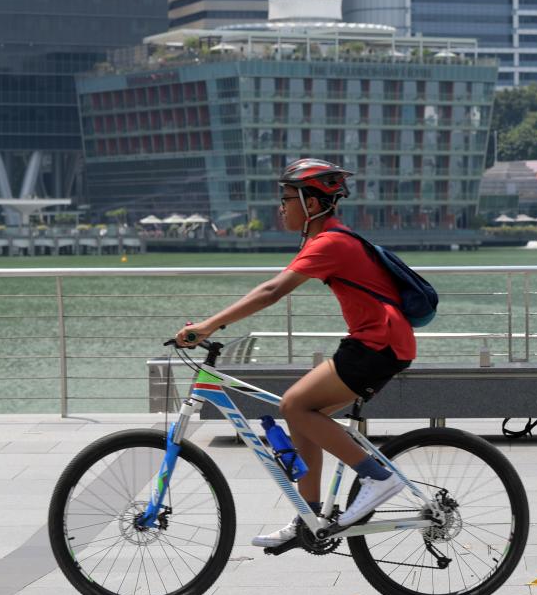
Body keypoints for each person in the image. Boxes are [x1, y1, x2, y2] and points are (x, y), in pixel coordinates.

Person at [175, 158, 414, 547]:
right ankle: (310, 518)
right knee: (304, 416)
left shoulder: (331, 242)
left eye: (287, 198)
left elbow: (272, 291)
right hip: (376, 341)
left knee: (294, 406)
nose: (281, 207)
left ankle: (377, 476)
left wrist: (207, 325)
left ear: (314, 204)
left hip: (378, 343)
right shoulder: (330, 239)